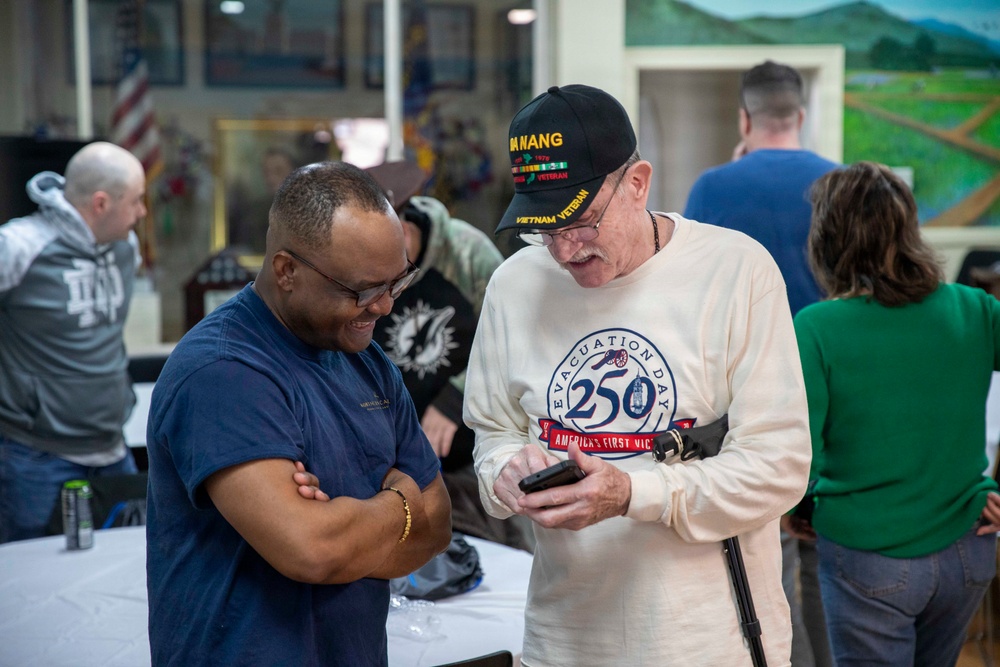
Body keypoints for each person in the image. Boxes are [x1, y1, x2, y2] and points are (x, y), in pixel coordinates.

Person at [464, 84, 812, 665]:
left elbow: (778, 470)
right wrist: (505, 472)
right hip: (564, 641)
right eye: (544, 230)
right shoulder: (515, 285)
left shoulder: (735, 271)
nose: (566, 249)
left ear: (637, 183)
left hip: (707, 642)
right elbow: (493, 437)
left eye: (581, 221)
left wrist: (633, 494)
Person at [145, 161, 452, 665]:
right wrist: (400, 504)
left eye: (396, 284)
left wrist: (340, 526)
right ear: (287, 270)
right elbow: (310, 549)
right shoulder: (222, 370)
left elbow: (437, 526)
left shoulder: (368, 362)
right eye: (362, 290)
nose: (384, 308)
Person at [787, 161, 1000, 666]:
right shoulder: (974, 308)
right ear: (909, 229)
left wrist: (802, 507)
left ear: (828, 236)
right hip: (966, 551)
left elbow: (799, 448)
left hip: (868, 555)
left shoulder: (818, 327)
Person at [684, 59, 837, 667]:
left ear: (745, 117)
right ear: (800, 115)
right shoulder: (841, 182)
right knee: (821, 548)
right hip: (830, 391)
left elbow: (692, 298)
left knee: (760, 549)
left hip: (738, 400)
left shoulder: (711, 188)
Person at [365, 160, 532, 551]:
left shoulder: (467, 252)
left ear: (402, 229)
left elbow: (514, 335)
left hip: (470, 457)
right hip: (391, 458)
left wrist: (455, 398)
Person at [0, 141, 146, 544]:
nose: (142, 212)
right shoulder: (19, 246)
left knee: (126, 567)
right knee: (29, 578)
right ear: (101, 204)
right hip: (36, 456)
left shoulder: (125, 246)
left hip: (113, 449)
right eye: (136, 201)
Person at [227, 145, 298, 255]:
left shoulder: (307, 210)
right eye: (266, 172)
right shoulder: (253, 211)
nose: (271, 179)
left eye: (278, 171)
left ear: (295, 172)